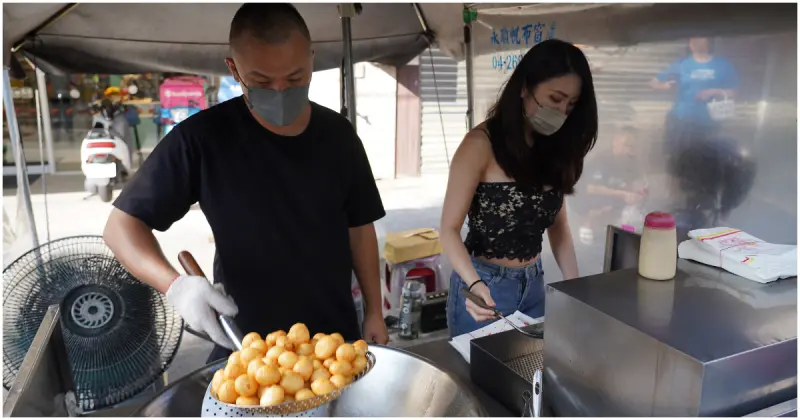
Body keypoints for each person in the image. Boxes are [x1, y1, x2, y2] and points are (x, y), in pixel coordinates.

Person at [103, 3, 389, 364]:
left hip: (334, 347)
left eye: (295, 78)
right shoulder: (203, 139)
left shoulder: (339, 136)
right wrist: (176, 286)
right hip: (245, 348)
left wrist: (374, 311)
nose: (281, 91)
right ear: (234, 69)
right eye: (263, 82)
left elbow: (360, 228)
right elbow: (120, 227)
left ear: (312, 59)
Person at [441, 39, 598, 337]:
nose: (562, 111)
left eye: (571, 104)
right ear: (525, 88)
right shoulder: (479, 145)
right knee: (482, 368)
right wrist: (474, 284)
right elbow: (448, 230)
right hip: (484, 286)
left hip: (534, 285)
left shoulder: (554, 148)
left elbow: (559, 227)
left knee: (533, 365)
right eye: (555, 99)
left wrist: (574, 286)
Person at [650, 37, 752, 227]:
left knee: (706, 164)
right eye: (692, 38)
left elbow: (735, 92)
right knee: (676, 162)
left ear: (707, 40)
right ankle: (675, 204)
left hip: (708, 124)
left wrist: (712, 91)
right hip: (680, 121)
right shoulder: (682, 64)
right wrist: (664, 86)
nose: (695, 41)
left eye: (700, 37)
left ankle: (707, 206)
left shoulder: (722, 65)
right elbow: (654, 82)